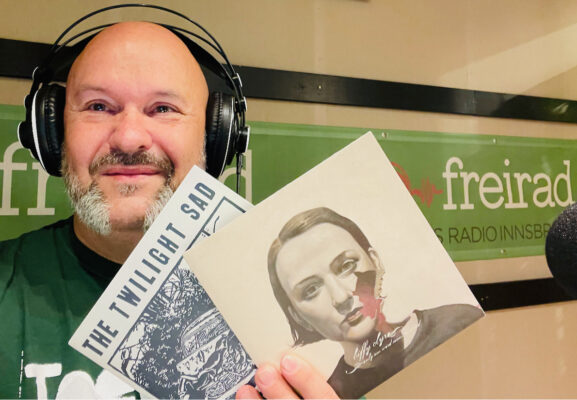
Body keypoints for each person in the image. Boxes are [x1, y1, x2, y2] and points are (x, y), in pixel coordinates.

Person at [0, 20, 336, 400]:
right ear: (53, 133)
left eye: (163, 109)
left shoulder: (297, 296)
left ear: (216, 137)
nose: (129, 138)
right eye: (98, 107)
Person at [266, 207, 484, 399]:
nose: (341, 297)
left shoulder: (457, 321)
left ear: (375, 261)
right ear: (298, 317)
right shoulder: (327, 393)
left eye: (346, 266)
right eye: (311, 290)